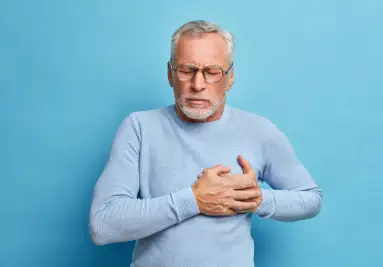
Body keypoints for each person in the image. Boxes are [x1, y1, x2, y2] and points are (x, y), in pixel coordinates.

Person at [89, 20, 322, 267]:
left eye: (212, 72)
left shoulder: (259, 131)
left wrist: (255, 199)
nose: (198, 85)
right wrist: (194, 200)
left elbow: (311, 199)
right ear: (170, 74)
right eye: (186, 70)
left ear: (230, 78)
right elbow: (103, 225)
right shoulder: (139, 127)